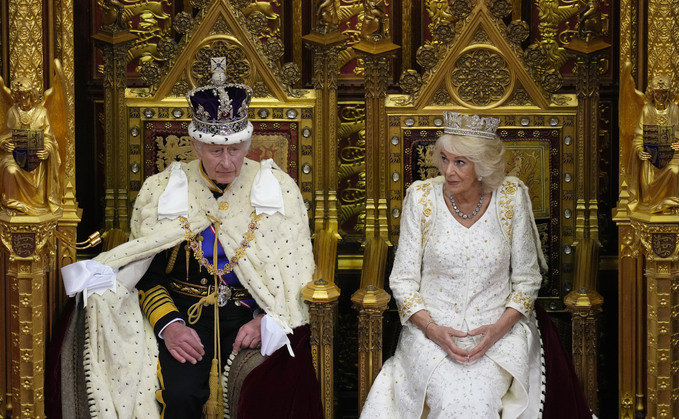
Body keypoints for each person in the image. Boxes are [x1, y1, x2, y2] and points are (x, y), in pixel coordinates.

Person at [61, 59, 322, 418]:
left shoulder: (278, 189)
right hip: (183, 315)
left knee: (265, 389)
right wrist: (170, 325)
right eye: (216, 150)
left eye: (235, 148)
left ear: (248, 141)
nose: (227, 162)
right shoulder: (162, 190)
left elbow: (294, 276)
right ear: (196, 146)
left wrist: (268, 319)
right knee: (178, 397)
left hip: (250, 316)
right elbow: (145, 274)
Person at [360, 112, 547, 418]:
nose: (448, 170)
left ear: (482, 166)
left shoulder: (511, 198)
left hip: (498, 335)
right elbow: (402, 282)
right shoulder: (421, 198)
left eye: (460, 162)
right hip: (431, 334)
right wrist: (433, 330)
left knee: (476, 399)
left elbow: (527, 281)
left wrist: (497, 331)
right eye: (445, 159)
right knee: (450, 395)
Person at [0, 76, 62, 215]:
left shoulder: (42, 113)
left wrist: (46, 150)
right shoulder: (12, 112)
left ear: (33, 95)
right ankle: (12, 205)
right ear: (16, 97)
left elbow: (49, 138)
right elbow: (3, 135)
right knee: (9, 169)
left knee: (38, 168)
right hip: (14, 156)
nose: (24, 101)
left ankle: (38, 203)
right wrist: (4, 144)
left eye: (27, 97)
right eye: (20, 97)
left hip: (36, 157)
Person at [628, 74, 679, 213]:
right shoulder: (646, 110)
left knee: (675, 171)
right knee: (647, 177)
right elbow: (638, 138)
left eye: (664, 93)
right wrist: (639, 151)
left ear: (669, 93)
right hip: (652, 157)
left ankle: (671, 205)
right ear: (652, 93)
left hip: (673, 155)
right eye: (657, 93)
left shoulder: (675, 110)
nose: (660, 96)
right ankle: (656, 204)